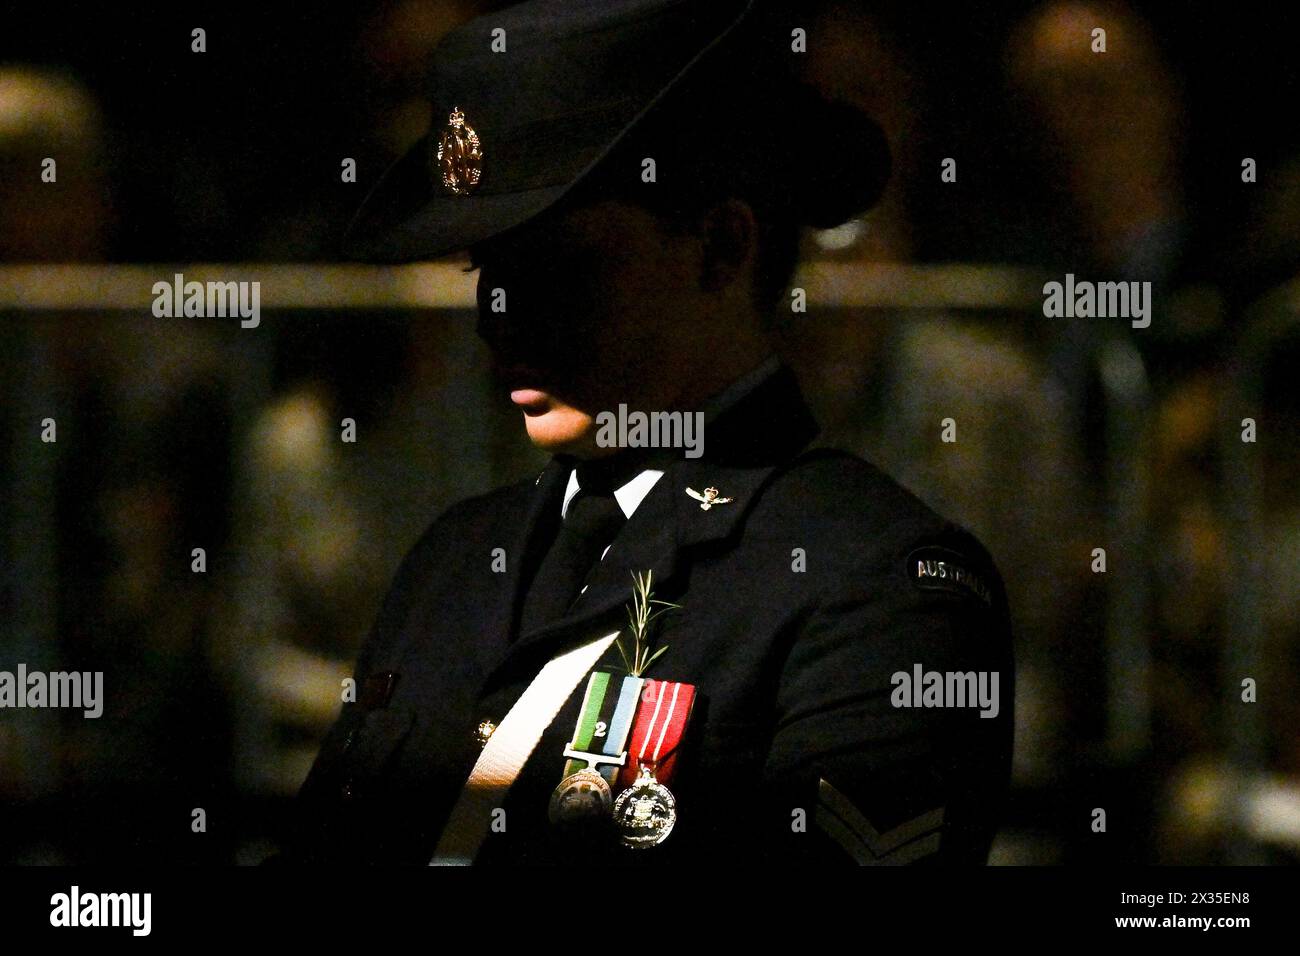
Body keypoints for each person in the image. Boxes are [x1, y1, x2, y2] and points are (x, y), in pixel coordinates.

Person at [281, 0, 1014, 865]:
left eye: (559, 265)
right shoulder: (454, 559)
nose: (495, 315)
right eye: (485, 268)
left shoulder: (881, 587)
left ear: (721, 248)